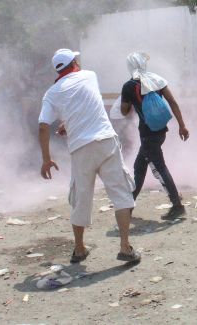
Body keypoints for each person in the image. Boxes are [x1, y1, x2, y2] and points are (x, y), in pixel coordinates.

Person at [38, 49, 140, 264]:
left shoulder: (51, 93)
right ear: (74, 62)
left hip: (81, 149)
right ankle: (125, 248)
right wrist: (71, 123)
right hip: (105, 142)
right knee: (121, 193)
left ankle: (79, 248)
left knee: (80, 198)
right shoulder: (89, 75)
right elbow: (86, 102)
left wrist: (46, 159)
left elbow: (43, 126)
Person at [120, 52, 190, 220]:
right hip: (160, 132)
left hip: (147, 134)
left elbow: (124, 111)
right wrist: (182, 125)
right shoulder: (157, 79)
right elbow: (173, 102)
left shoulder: (129, 86)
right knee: (139, 166)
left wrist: (124, 100)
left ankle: (177, 206)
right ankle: (129, 205)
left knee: (159, 168)